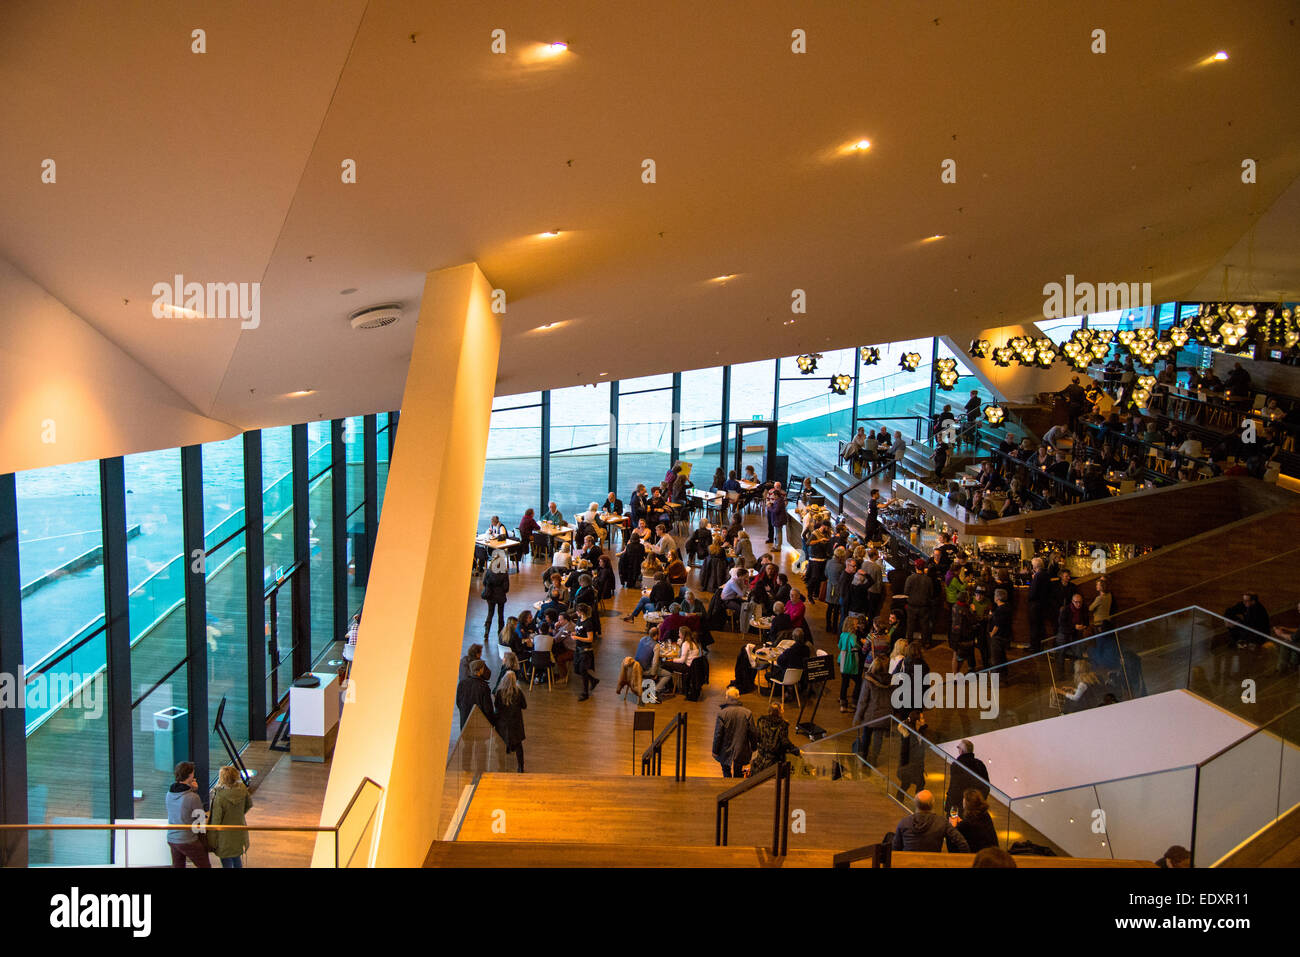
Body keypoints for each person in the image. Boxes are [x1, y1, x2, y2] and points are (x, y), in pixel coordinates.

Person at [890, 788, 970, 853]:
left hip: (908, 862)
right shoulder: (941, 822)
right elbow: (962, 843)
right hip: (933, 862)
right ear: (932, 803)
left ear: (916, 804)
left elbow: (895, 848)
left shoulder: (904, 822)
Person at [166, 761, 210, 868]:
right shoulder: (192, 797)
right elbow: (200, 819)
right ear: (190, 775)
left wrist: (192, 790)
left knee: (178, 865)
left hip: (172, 837)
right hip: (187, 839)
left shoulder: (169, 793)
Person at [208, 765, 253, 868]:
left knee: (226, 860)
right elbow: (249, 804)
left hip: (224, 835)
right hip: (239, 830)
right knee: (237, 858)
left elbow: (216, 820)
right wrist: (238, 814)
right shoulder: (242, 789)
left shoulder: (219, 797)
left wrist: (211, 839)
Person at [852, 656, 892, 765]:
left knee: (866, 737)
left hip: (870, 715)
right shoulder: (890, 681)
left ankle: (864, 759)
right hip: (884, 715)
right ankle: (874, 759)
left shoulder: (868, 681)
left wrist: (857, 717)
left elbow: (863, 701)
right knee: (878, 739)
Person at [712, 686, 759, 777]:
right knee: (738, 772)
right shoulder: (747, 713)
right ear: (738, 697)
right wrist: (754, 748)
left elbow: (718, 734)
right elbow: (753, 732)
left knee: (725, 770)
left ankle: (727, 785)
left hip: (724, 749)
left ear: (727, 697)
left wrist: (715, 750)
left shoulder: (722, 714)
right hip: (741, 749)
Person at [750, 702, 800, 773]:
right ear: (780, 711)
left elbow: (757, 737)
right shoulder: (782, 725)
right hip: (774, 761)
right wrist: (796, 750)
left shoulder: (761, 721)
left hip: (761, 760)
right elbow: (784, 742)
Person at [944, 740, 991, 815]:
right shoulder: (980, 764)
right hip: (975, 807)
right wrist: (979, 802)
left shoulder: (956, 765)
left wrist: (950, 806)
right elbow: (986, 787)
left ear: (961, 751)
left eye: (959, 748)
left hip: (958, 808)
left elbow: (954, 789)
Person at [494, 671, 528, 772]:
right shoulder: (518, 692)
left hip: (503, 723)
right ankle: (520, 767)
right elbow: (524, 706)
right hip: (515, 723)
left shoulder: (500, 693)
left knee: (501, 745)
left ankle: (501, 766)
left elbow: (496, 706)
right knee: (518, 745)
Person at [456, 659, 496, 728]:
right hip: (479, 724)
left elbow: (458, 702)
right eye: (483, 668)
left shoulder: (462, 683)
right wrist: (491, 724)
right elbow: (488, 709)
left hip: (465, 721)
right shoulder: (484, 687)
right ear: (480, 670)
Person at [837, 621, 864, 713]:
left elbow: (839, 645)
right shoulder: (853, 636)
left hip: (842, 660)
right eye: (856, 624)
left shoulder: (842, 634)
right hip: (850, 661)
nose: (857, 625)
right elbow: (854, 645)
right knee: (858, 682)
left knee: (844, 682)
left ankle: (843, 703)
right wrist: (861, 646)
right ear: (851, 625)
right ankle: (854, 702)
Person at [481, 560, 509, 639]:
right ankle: (500, 633)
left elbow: (484, 583)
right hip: (500, 596)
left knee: (490, 613)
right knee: (501, 615)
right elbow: (506, 588)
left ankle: (486, 632)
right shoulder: (504, 573)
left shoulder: (489, 572)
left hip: (490, 596)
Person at [764, 481, 788, 547]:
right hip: (771, 507)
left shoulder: (783, 493)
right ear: (774, 487)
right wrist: (768, 504)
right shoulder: (770, 491)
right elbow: (767, 499)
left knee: (777, 528)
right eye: (776, 487)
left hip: (777, 510)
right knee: (770, 524)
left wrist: (782, 507)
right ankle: (770, 538)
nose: (777, 488)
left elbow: (785, 502)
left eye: (778, 487)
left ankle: (777, 541)